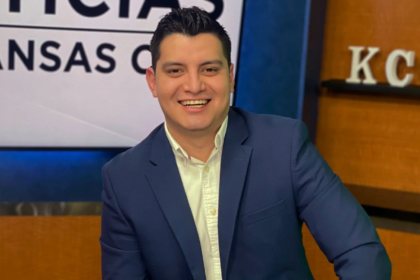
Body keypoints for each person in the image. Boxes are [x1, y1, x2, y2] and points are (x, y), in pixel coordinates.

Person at [100, 6, 391, 280]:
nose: (194, 85)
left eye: (209, 70)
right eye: (175, 71)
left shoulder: (284, 146)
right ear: (153, 81)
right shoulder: (124, 179)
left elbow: (362, 252)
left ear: (230, 76)